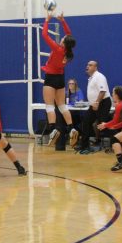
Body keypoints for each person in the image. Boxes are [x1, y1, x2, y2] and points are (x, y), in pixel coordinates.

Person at [41, 11, 79, 148]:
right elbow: (69, 35)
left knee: (49, 105)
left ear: (64, 42)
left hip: (51, 78)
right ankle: (72, 129)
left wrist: (47, 20)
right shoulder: (69, 53)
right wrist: (62, 21)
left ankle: (53, 130)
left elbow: (44, 35)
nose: (62, 37)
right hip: (61, 78)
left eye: (63, 38)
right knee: (62, 106)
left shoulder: (58, 49)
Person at [77, 61, 112, 153]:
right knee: (86, 122)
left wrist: (96, 102)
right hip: (95, 104)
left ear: (96, 67)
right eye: (87, 65)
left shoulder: (99, 76)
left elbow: (102, 91)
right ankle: (84, 146)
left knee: (102, 125)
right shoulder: (91, 78)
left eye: (90, 65)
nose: (87, 66)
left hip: (102, 103)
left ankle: (114, 144)